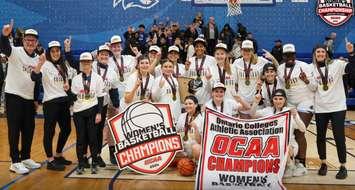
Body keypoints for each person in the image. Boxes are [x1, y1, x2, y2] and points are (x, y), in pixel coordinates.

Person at [0, 20, 42, 174]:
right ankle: (14, 161)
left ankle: (25, 157)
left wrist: (36, 99)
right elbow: (4, 47)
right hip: (14, 96)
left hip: (29, 99)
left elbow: (37, 81)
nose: (30, 42)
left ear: (37, 42)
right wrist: (4, 36)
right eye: (27, 40)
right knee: (14, 129)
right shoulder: (15, 51)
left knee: (28, 129)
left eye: (33, 40)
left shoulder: (38, 58)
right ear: (23, 41)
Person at [312, 43, 354, 179]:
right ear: (314, 54)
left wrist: (352, 54)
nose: (320, 54)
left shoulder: (337, 64)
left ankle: (343, 166)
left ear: (327, 53)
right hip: (320, 108)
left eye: (322, 52)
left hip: (337, 107)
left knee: (339, 137)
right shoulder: (311, 69)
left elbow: (352, 68)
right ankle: (323, 163)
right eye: (318, 52)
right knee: (320, 137)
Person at [31, 41, 73, 171]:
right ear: (49, 52)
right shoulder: (45, 65)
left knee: (66, 130)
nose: (55, 53)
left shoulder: (63, 64)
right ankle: (50, 160)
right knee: (50, 132)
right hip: (51, 103)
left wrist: (68, 86)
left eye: (57, 51)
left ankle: (58, 154)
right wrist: (39, 64)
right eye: (53, 51)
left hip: (64, 102)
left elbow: (69, 78)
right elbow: (34, 77)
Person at [277, 43, 317, 173]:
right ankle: (290, 162)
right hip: (290, 104)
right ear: (283, 56)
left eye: (292, 55)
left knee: (299, 131)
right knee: (289, 134)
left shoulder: (304, 66)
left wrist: (306, 80)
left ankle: (302, 164)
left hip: (305, 102)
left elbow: (314, 87)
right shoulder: (280, 68)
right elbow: (283, 88)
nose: (290, 57)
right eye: (287, 55)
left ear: (295, 55)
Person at [251, 89, 306, 178]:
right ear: (272, 100)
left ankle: (290, 165)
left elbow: (303, 129)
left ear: (285, 100)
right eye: (275, 99)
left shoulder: (289, 111)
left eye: (281, 99)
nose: (278, 101)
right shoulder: (268, 111)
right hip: (271, 147)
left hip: (289, 146)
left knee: (282, 145)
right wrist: (255, 102)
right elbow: (252, 114)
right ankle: (293, 165)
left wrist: (296, 116)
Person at [71, 52, 105, 175]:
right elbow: (73, 98)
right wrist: (68, 92)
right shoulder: (75, 79)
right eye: (83, 62)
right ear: (80, 64)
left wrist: (99, 113)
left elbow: (101, 97)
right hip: (78, 112)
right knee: (80, 139)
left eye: (88, 62)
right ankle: (81, 163)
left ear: (92, 63)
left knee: (93, 138)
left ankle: (94, 162)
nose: (86, 64)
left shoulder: (97, 78)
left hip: (93, 111)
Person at [92, 45, 120, 168]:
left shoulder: (112, 72)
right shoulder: (91, 66)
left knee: (98, 132)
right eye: (101, 54)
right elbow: (74, 63)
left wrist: (117, 105)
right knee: (89, 132)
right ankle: (85, 157)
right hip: (89, 105)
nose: (104, 56)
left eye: (106, 55)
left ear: (109, 57)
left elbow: (113, 91)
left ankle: (97, 155)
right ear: (97, 56)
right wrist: (68, 50)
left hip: (102, 105)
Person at [232, 40, 273, 118]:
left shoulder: (260, 61)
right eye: (244, 50)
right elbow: (234, 82)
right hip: (243, 102)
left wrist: (272, 58)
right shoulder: (237, 62)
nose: (246, 52)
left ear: (253, 51)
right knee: (245, 127)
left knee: (256, 128)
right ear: (241, 50)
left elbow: (276, 69)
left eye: (249, 50)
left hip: (257, 102)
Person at [185, 37, 217, 105]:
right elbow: (187, 78)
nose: (199, 48)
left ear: (205, 48)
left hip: (207, 97)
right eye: (197, 46)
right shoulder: (190, 60)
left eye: (201, 46)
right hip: (193, 96)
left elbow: (215, 77)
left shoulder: (212, 60)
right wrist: (186, 70)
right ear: (194, 48)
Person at [175, 95, 203, 161]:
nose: (187, 106)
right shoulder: (181, 116)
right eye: (186, 104)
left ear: (196, 105)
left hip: (193, 148)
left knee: (196, 148)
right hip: (183, 149)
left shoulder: (201, 118)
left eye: (190, 103)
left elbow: (200, 141)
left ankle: (196, 163)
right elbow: (176, 133)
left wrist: (196, 128)